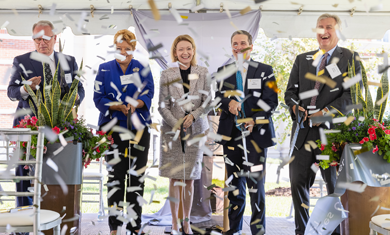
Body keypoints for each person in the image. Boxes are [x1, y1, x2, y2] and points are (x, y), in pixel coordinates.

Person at [284, 13, 361, 235]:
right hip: (303, 134)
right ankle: (303, 231)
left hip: (332, 136)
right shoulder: (302, 59)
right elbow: (290, 92)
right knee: (298, 183)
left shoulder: (350, 58)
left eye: (329, 27)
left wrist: (325, 111)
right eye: (320, 27)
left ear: (337, 31)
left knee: (333, 187)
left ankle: (333, 232)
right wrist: (295, 106)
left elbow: (352, 97)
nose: (324, 31)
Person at [7, 20, 85, 208]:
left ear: (55, 38)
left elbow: (79, 89)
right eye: (37, 39)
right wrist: (27, 88)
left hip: (60, 128)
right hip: (29, 126)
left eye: (46, 38)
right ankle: (25, 219)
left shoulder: (69, 61)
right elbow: (11, 92)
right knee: (24, 174)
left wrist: (74, 99)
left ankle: (57, 215)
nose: (42, 43)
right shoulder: (22, 61)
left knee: (58, 174)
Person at [216, 30, 278, 235]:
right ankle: (233, 230)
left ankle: (257, 231)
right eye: (235, 43)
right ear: (231, 47)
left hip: (256, 137)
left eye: (243, 43)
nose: (239, 47)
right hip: (231, 136)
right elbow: (216, 99)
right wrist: (228, 103)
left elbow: (272, 101)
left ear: (251, 46)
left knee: (255, 186)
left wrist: (255, 119)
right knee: (234, 186)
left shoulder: (265, 70)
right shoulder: (222, 71)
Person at [93, 29, 154, 235]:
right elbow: (98, 98)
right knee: (116, 178)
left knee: (136, 177)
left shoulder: (142, 67)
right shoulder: (104, 69)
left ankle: (134, 225)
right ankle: (114, 226)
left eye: (127, 49)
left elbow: (149, 92)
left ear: (133, 48)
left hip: (138, 129)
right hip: (113, 129)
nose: (123, 52)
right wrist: (117, 105)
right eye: (119, 48)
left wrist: (136, 103)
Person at [158, 34, 210, 234]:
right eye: (180, 49)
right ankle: (173, 222)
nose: (185, 52)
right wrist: (177, 123)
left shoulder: (203, 72)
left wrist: (194, 116)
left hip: (196, 131)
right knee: (174, 178)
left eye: (188, 48)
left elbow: (207, 102)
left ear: (193, 50)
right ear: (175, 52)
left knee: (189, 178)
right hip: (172, 131)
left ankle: (186, 222)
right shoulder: (167, 74)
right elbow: (162, 106)